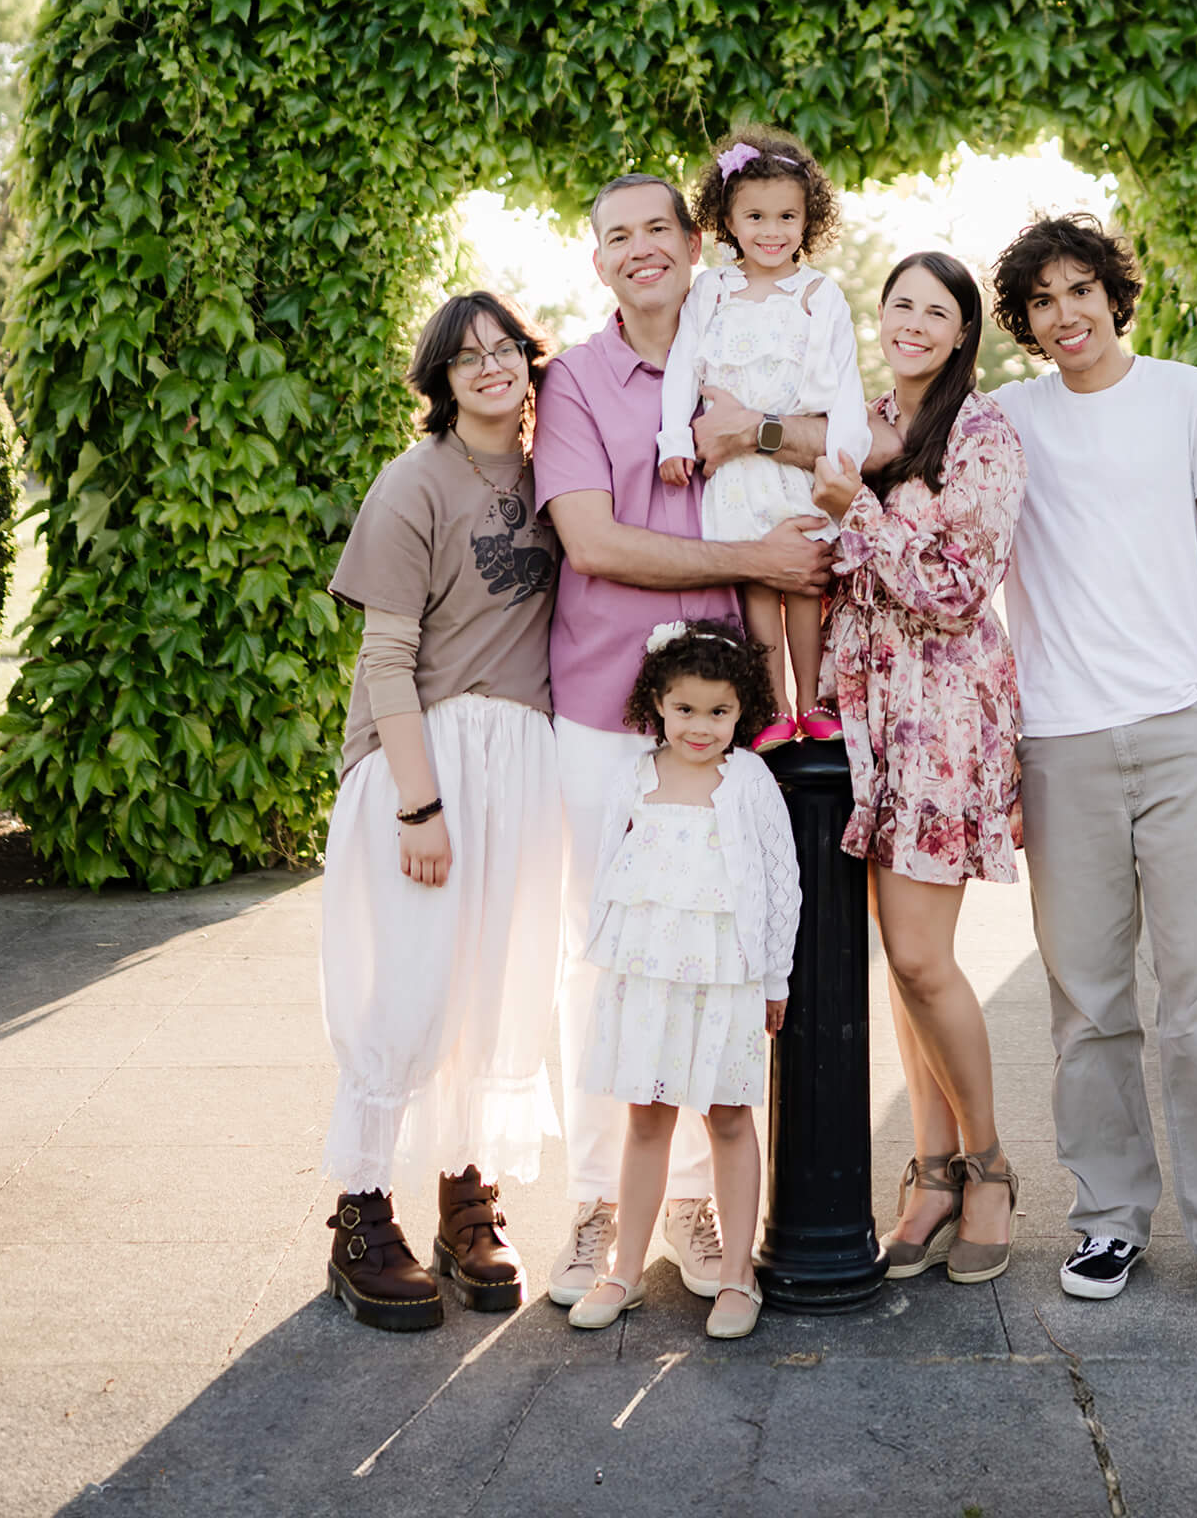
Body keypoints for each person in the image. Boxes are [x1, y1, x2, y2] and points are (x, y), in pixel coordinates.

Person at [532, 172, 833, 1309]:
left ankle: (701, 1202)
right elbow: (594, 540)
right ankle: (598, 1202)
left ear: (694, 240)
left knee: (711, 950)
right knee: (603, 958)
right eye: (619, 235)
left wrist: (765, 434)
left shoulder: (740, 339)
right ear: (599, 260)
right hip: (604, 709)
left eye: (659, 226)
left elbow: (822, 437)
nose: (641, 248)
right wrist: (752, 561)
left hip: (715, 718)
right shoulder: (574, 381)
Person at [990, 213, 1197, 1320]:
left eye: (1081, 290)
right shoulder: (1006, 419)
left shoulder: (1190, 396)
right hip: (1059, 742)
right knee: (1088, 1001)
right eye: (1042, 302)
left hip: (1177, 734)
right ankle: (1108, 1217)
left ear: (1116, 291)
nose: (1065, 315)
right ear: (1023, 322)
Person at [319, 289, 563, 1331]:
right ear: (438, 381)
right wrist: (419, 803)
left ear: (526, 360)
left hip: (524, 758)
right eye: (466, 358)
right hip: (428, 757)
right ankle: (362, 1211)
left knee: (494, 987)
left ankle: (468, 1198)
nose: (490, 367)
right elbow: (386, 655)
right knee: (411, 989)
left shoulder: (559, 476)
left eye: (504, 348)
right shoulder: (412, 481)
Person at [811, 251, 1027, 1285]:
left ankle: (987, 1165)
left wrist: (859, 504)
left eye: (934, 310)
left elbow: (949, 585)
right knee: (900, 964)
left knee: (918, 952)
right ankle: (932, 1173)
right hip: (865, 707)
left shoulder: (982, 434)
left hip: (942, 710)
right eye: (898, 302)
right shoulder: (859, 417)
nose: (911, 320)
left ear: (961, 331)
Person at [567, 617, 800, 1342]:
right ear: (658, 704)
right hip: (650, 974)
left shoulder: (749, 781)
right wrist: (607, 964)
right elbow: (610, 872)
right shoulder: (635, 776)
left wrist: (774, 977)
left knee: (728, 1116)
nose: (700, 727)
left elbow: (778, 880)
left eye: (719, 711)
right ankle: (624, 1270)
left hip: (725, 975)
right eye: (685, 710)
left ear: (742, 710)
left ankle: (736, 1274)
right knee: (645, 1116)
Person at [657, 126, 870, 748]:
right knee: (756, 579)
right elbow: (683, 368)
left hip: (797, 468)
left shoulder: (818, 295)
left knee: (804, 579)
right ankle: (774, 706)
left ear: (809, 220)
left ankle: (815, 699)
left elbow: (848, 386)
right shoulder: (711, 291)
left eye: (786, 216)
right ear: (727, 219)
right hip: (735, 473)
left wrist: (843, 458)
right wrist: (674, 438)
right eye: (755, 216)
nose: (771, 230)